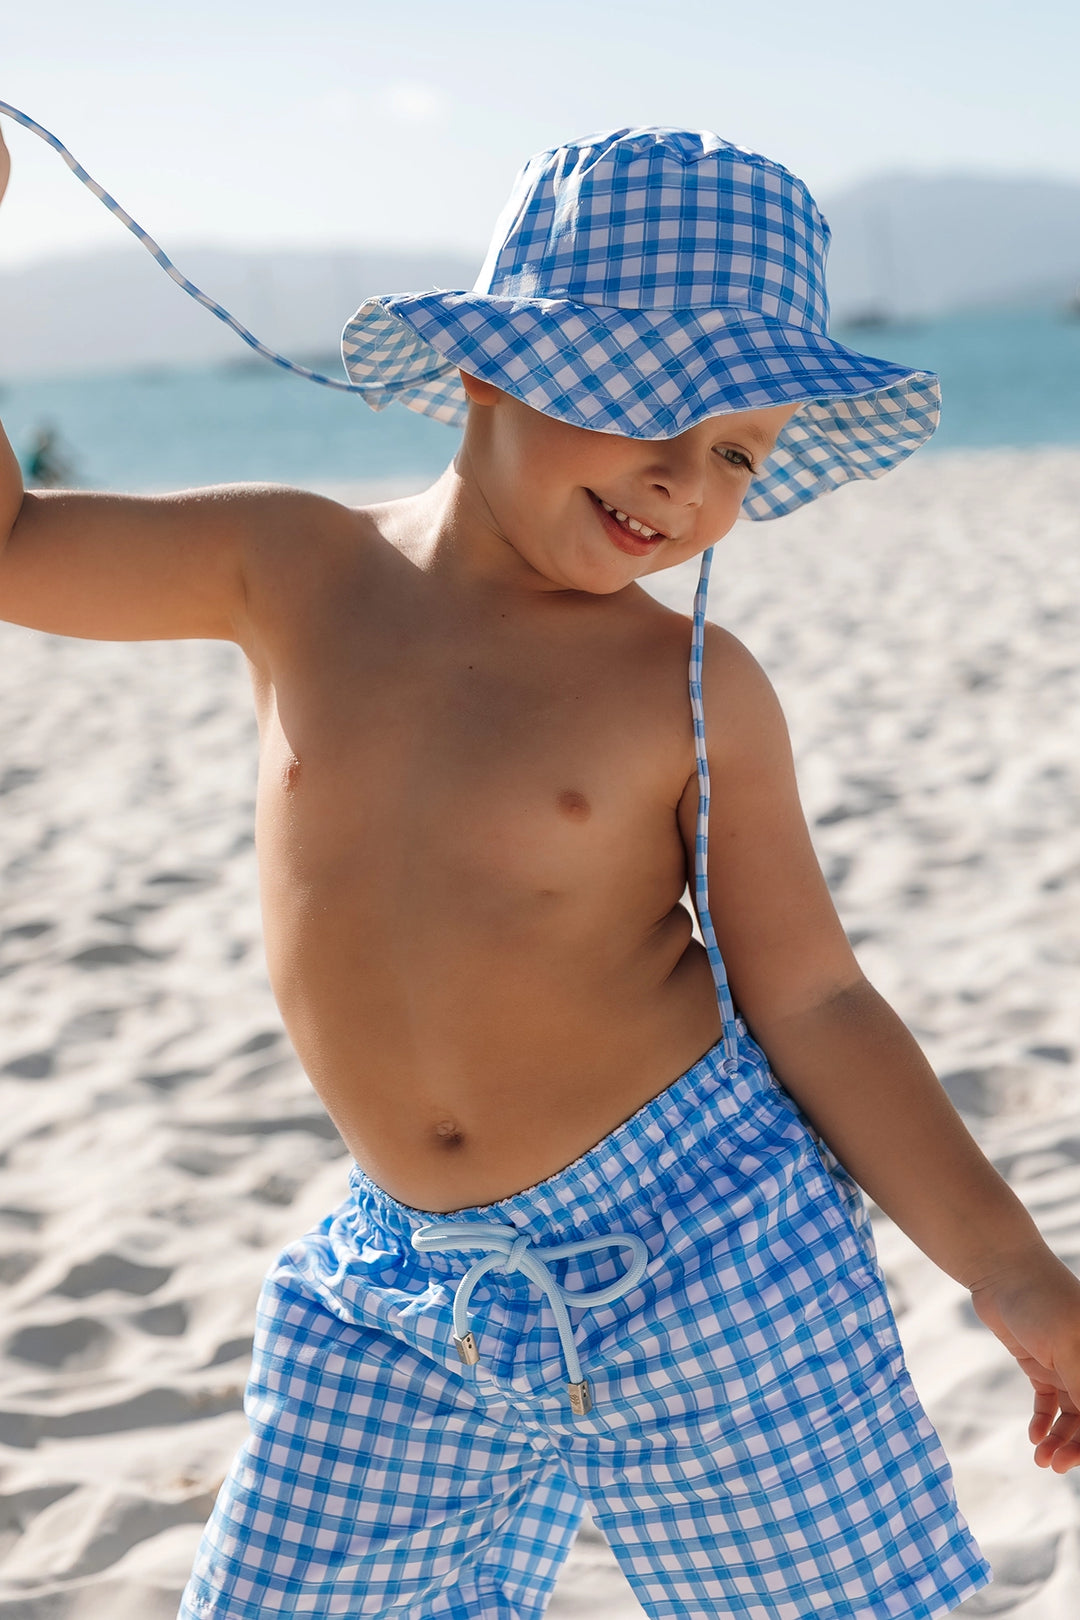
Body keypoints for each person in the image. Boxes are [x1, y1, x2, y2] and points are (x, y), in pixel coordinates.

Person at [1, 117, 1078, 1620]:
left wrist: (1010, 1267)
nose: (683, 480)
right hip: (403, 1284)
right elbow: (13, 548)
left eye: (737, 454)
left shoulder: (691, 687)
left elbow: (816, 998)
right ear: (494, 367)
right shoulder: (293, 568)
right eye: (653, 403)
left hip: (705, 1250)